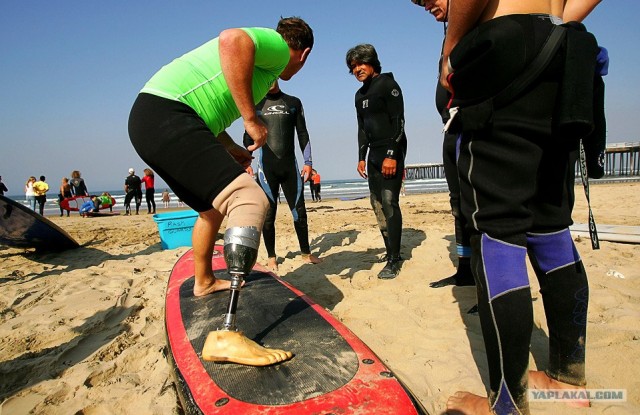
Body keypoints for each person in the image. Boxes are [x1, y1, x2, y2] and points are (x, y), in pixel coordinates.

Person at [439, 1, 604, 413]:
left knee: (497, 232)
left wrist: (452, 47)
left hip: (505, 46)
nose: (429, 7)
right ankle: (567, 378)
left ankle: (506, 405)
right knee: (550, 224)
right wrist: (552, 28)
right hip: (561, 49)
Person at [128, 17, 313, 366]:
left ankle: (203, 280)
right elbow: (231, 39)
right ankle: (227, 334)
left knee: (212, 209)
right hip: (168, 113)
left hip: (154, 118)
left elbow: (208, 119)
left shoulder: (253, 74)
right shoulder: (274, 49)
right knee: (250, 198)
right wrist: (250, 118)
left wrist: (231, 147)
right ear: (303, 54)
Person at [412, 0, 475, 289]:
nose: (424, 5)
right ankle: (465, 270)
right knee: (458, 205)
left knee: (479, 208)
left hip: (472, 130)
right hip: (451, 132)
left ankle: (487, 280)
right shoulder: (452, 32)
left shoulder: (477, 22)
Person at [243, 81, 322, 271]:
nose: (269, 81)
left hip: (290, 168)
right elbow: (247, 136)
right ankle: (271, 257)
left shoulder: (293, 102)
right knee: (269, 217)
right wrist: (246, 162)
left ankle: (306, 253)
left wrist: (308, 162)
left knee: (300, 213)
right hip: (266, 169)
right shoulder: (256, 105)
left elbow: (302, 133)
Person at [346, 44, 407, 280]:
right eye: (353, 67)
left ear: (372, 62)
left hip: (392, 148)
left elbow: (399, 121)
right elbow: (362, 128)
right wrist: (361, 156)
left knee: (390, 201)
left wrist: (392, 154)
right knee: (377, 203)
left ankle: (395, 259)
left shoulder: (388, 84)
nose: (357, 69)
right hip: (373, 154)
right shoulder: (359, 95)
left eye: (361, 63)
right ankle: (389, 250)